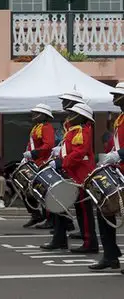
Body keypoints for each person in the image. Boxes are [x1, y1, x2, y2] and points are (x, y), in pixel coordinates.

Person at [41, 103, 99, 253]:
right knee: (63, 205)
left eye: (73, 113)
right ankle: (61, 239)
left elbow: (79, 153)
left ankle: (90, 243)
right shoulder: (73, 130)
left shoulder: (81, 131)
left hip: (80, 175)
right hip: (71, 173)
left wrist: (61, 162)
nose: (69, 115)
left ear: (80, 117)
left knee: (84, 211)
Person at [89, 82, 124, 271]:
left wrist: (119, 154)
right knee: (104, 211)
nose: (113, 99)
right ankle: (110, 255)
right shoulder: (120, 119)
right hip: (118, 170)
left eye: (117, 95)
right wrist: (110, 156)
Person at [21, 104, 55, 228]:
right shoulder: (36, 127)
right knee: (26, 189)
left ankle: (49, 219)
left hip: (43, 162)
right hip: (35, 162)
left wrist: (33, 153)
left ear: (43, 115)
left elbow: (48, 145)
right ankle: (35, 214)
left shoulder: (46, 127)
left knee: (44, 192)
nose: (33, 115)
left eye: (36, 113)